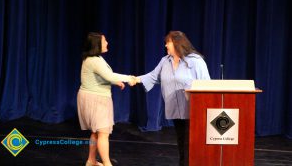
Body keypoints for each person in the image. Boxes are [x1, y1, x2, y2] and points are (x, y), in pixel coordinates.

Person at [134, 31, 210, 166]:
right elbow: (153, 76)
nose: (166, 46)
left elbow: (206, 84)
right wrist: (135, 79)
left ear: (176, 43)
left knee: (191, 143)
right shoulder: (165, 61)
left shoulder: (196, 61)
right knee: (182, 142)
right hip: (175, 109)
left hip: (193, 110)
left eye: (167, 43)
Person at [77, 32, 136, 166]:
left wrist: (116, 82)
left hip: (91, 96)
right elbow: (109, 76)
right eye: (104, 41)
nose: (107, 43)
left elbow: (102, 76)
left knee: (95, 132)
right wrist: (129, 78)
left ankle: (91, 161)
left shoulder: (93, 58)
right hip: (96, 99)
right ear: (96, 44)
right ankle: (107, 164)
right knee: (103, 133)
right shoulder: (95, 60)